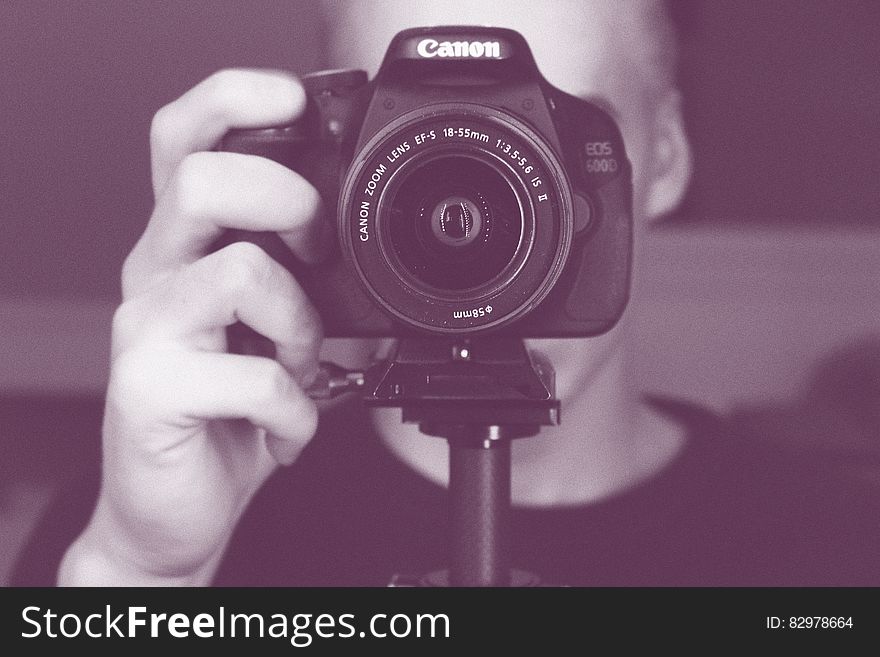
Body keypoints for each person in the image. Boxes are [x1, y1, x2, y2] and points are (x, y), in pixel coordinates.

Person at [12, 0, 880, 587]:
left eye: (546, 139)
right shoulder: (152, 505)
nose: (483, 212)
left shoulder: (839, 552)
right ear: (340, 174)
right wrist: (137, 580)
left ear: (665, 157)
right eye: (425, 146)